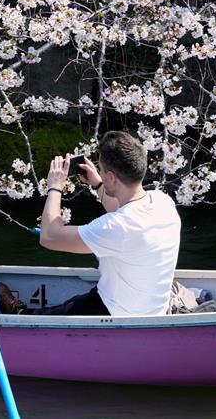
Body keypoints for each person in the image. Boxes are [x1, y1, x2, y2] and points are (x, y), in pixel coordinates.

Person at [27, 130, 181, 316]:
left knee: (40, 316)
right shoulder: (163, 202)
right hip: (152, 308)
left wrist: (55, 186)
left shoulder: (115, 227)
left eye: (100, 169)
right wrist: (99, 184)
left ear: (112, 177)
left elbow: (49, 236)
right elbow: (123, 209)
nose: (98, 171)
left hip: (118, 313)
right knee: (74, 302)